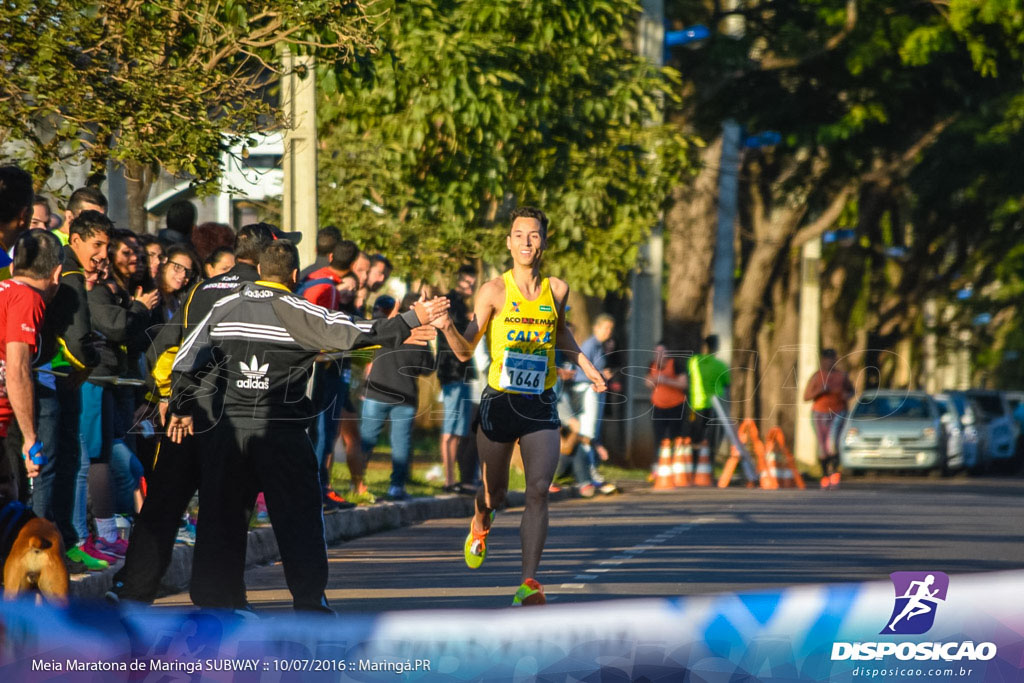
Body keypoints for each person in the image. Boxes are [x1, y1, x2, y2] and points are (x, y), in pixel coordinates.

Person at [165, 240, 448, 612]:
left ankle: (217, 601)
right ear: (295, 276)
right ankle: (309, 602)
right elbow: (356, 331)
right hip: (281, 432)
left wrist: (182, 407)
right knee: (299, 520)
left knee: (221, 516)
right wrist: (411, 319)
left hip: (228, 431)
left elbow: (186, 359)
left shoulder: (223, 307)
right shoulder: (299, 311)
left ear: (261, 271)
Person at [434, 206, 607, 606]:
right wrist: (447, 329)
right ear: (509, 242)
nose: (526, 242)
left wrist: (586, 365)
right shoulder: (494, 291)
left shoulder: (557, 290)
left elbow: (561, 335)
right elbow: (465, 352)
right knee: (495, 495)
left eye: (534, 235)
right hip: (499, 403)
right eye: (519, 235)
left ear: (543, 243)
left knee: (538, 491)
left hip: (541, 403)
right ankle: (480, 520)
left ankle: (529, 582)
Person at [108, 224, 274, 605]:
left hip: (184, 412)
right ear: (268, 255)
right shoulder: (267, 295)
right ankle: (219, 595)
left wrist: (168, 398)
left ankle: (132, 589)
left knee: (163, 503)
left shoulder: (202, 289)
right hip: (230, 417)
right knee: (224, 507)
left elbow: (164, 343)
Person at [78, 229, 158, 559]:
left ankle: (113, 531)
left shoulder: (119, 292)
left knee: (119, 462)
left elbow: (135, 338)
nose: (103, 261)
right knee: (97, 461)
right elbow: (117, 328)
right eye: (100, 251)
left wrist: (135, 311)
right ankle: (97, 534)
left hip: (114, 383)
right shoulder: (94, 292)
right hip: (93, 380)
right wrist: (137, 310)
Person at [38, 209, 110, 570]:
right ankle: (52, 546)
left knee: (64, 462)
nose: (102, 255)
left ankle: (64, 542)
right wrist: (87, 364)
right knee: (57, 465)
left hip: (59, 376)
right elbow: (77, 336)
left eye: (106, 246)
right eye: (96, 244)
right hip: (58, 377)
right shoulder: (68, 272)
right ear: (75, 239)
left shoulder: (71, 270)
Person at [0, 231, 64, 506]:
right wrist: (31, 439)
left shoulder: (5, 290)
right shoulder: (27, 298)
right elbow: (17, 369)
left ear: (13, 267)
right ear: (56, 273)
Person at [360, 293, 436, 501]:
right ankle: (396, 487)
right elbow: (427, 367)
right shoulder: (421, 335)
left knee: (366, 440)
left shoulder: (387, 326)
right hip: (405, 397)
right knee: (401, 444)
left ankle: (357, 482)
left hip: (376, 392)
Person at [436, 265, 478, 492]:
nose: (469, 287)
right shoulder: (450, 303)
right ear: (456, 280)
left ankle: (454, 479)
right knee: (450, 429)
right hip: (451, 371)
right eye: (466, 282)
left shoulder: (461, 305)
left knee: (458, 429)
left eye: (472, 283)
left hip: (462, 373)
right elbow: (452, 336)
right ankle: (448, 480)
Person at [571, 314, 617, 494]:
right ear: (596, 328)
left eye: (611, 329)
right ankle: (587, 470)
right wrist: (600, 374)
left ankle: (590, 469)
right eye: (606, 328)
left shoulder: (600, 346)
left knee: (594, 429)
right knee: (588, 430)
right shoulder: (590, 345)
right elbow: (582, 369)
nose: (609, 332)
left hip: (596, 388)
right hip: (588, 389)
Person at [803, 348, 854, 490]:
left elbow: (851, 391)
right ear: (822, 360)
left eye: (832, 359)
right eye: (826, 359)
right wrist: (820, 391)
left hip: (838, 412)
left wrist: (847, 395)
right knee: (822, 447)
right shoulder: (816, 376)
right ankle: (825, 475)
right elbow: (806, 397)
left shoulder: (842, 376)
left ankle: (835, 473)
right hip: (819, 413)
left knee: (832, 444)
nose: (829, 362)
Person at [688, 335, 731, 466]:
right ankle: (709, 463)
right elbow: (727, 383)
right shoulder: (720, 366)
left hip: (697, 404)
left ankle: (694, 462)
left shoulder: (694, 362)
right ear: (716, 348)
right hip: (715, 405)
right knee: (713, 438)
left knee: (696, 436)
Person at [646, 341, 689, 449]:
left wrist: (666, 380)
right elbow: (647, 382)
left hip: (676, 406)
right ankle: (660, 460)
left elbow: (683, 384)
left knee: (675, 436)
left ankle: (676, 460)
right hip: (658, 406)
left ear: (667, 353)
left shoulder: (675, 364)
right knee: (659, 436)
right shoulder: (652, 365)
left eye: (661, 352)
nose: (658, 355)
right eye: (656, 352)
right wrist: (653, 380)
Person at [153, 245, 197, 322]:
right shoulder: (152, 297)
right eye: (178, 267)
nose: (183, 275)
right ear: (164, 265)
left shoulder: (180, 302)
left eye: (188, 272)